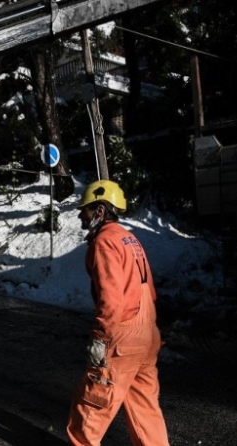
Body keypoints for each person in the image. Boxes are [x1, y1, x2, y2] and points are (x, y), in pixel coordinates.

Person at [67, 179, 169, 446]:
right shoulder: (130, 238)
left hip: (122, 337)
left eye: (86, 209)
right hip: (147, 334)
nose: (80, 215)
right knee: (145, 413)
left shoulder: (105, 242)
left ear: (100, 210)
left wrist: (101, 337)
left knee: (88, 414)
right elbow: (149, 290)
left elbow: (111, 298)